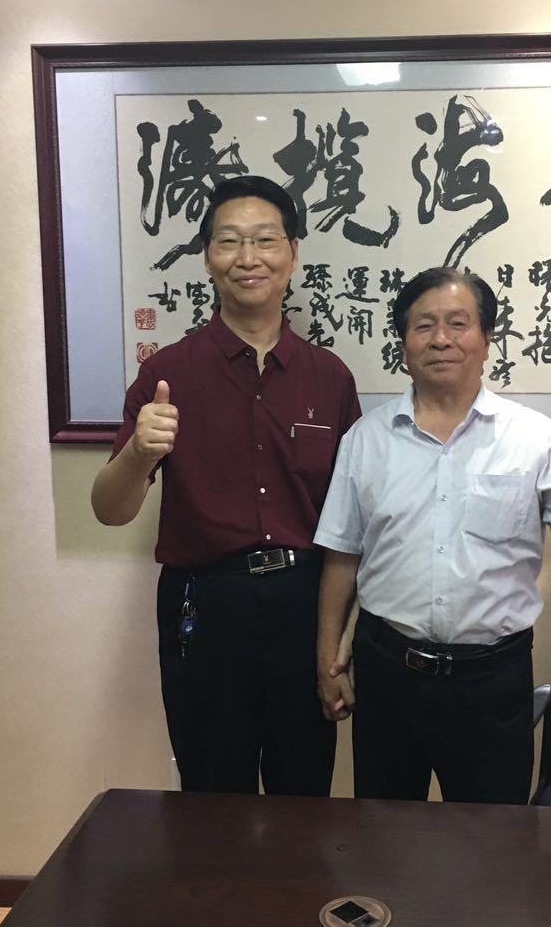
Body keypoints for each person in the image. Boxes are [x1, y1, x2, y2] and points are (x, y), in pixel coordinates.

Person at [313, 266, 551, 804]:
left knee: (495, 839)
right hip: (388, 673)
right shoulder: (365, 439)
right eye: (423, 326)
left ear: (487, 340)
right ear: (403, 345)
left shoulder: (534, 437)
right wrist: (328, 661)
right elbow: (342, 558)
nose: (441, 339)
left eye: (458, 323)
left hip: (491, 682)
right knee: (384, 834)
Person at [92, 176, 360, 795]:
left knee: (304, 791)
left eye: (265, 240)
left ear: (293, 253)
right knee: (212, 797)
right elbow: (110, 509)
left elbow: (351, 523)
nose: (248, 258)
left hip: (303, 604)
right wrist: (138, 451)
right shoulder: (167, 373)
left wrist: (339, 637)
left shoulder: (329, 377)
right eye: (229, 241)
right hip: (206, 604)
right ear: (207, 258)